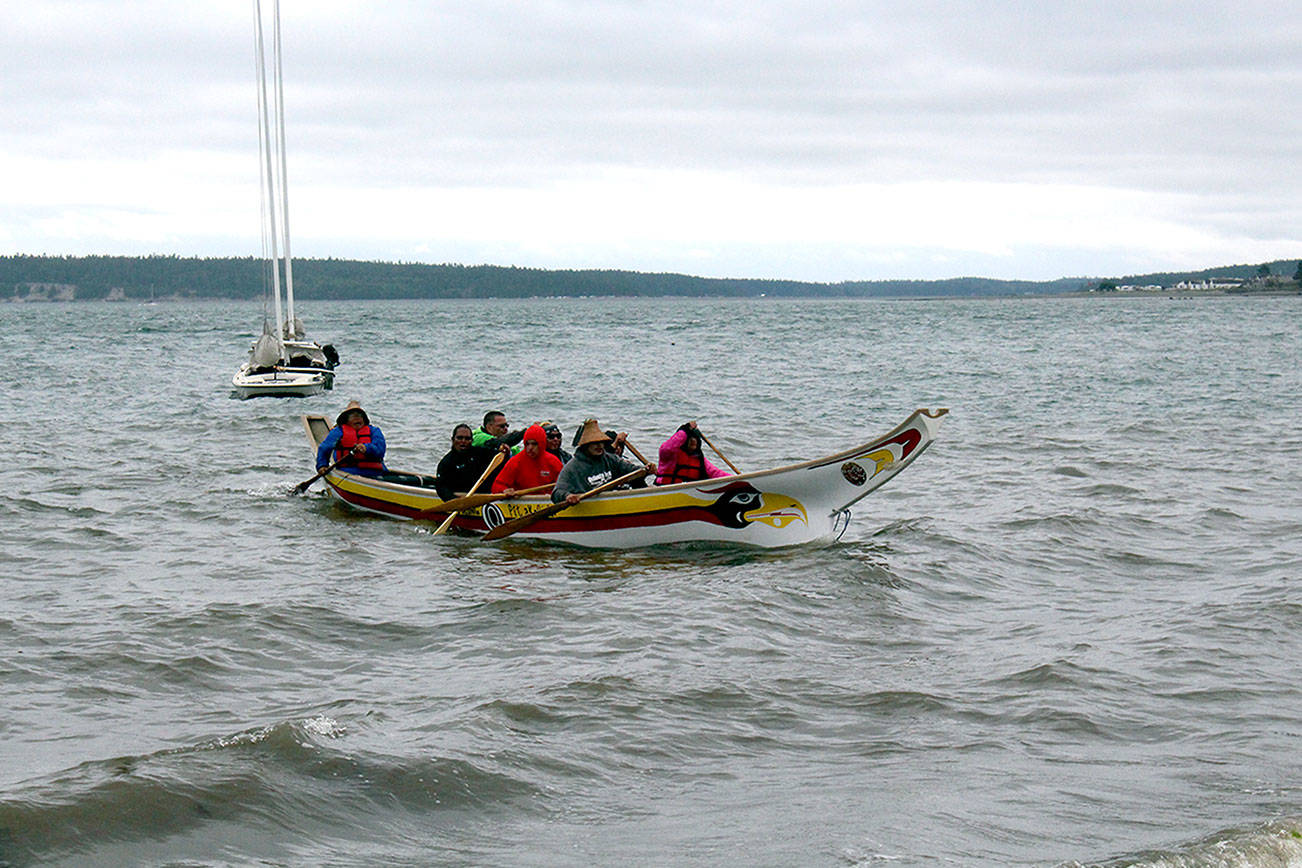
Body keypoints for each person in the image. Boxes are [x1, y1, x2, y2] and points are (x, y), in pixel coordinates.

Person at [316, 402, 434, 486]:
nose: (357, 419)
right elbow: (324, 448)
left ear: (364, 419)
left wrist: (366, 448)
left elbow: (380, 450)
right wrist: (322, 466)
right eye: (353, 416)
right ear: (346, 420)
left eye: (360, 416)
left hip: (376, 473)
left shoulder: (374, 431)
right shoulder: (338, 432)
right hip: (349, 472)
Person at [552, 419, 652, 505]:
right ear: (585, 445)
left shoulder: (611, 459)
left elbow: (632, 471)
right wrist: (568, 496)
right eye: (595, 443)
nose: (599, 446)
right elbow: (557, 493)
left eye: (601, 442)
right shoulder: (573, 467)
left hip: (611, 503)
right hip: (588, 507)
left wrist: (646, 470)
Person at [435, 423, 508, 501]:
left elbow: (502, 463)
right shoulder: (446, 463)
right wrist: (454, 500)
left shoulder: (481, 453)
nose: (463, 441)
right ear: (453, 440)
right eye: (459, 438)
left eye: (467, 439)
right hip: (462, 495)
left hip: (485, 494)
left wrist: (505, 453)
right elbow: (441, 488)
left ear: (472, 441)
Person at [491, 424, 563, 496]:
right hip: (522, 500)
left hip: (545, 500)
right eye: (527, 444)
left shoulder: (553, 461)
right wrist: (504, 490)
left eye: (534, 444)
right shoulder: (516, 461)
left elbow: (565, 485)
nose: (530, 448)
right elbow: (497, 485)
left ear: (542, 444)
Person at [655, 421, 730, 486]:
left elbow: (716, 473)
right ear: (684, 440)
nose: (693, 440)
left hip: (689, 493)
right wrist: (685, 429)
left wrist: (735, 479)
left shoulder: (700, 459)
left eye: (695, 438)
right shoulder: (670, 454)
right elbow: (668, 447)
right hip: (664, 489)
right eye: (690, 438)